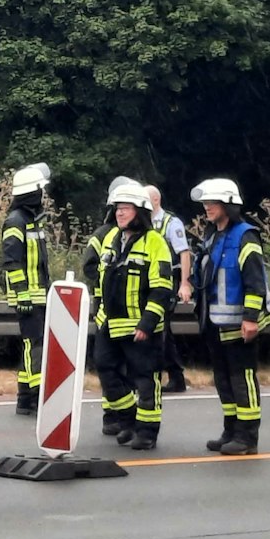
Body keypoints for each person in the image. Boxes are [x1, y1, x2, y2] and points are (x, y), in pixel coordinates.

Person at [194, 177, 270, 456]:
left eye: (212, 202)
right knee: (224, 379)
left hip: (241, 323)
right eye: (205, 202)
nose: (207, 207)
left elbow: (254, 281)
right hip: (216, 323)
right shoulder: (212, 236)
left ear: (228, 204)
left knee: (242, 379)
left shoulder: (245, 236)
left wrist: (250, 318)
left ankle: (247, 437)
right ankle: (230, 431)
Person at [99, 180, 174, 451]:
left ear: (140, 211)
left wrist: (147, 323)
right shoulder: (112, 238)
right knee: (105, 369)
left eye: (126, 208)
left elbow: (162, 288)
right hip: (110, 323)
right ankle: (129, 420)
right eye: (117, 208)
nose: (119, 212)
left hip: (141, 326)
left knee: (145, 378)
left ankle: (147, 432)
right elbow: (101, 279)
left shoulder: (155, 242)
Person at [79, 178, 137, 441]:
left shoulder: (141, 238)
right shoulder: (103, 235)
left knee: (122, 368)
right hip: (105, 310)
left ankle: (121, 418)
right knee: (108, 366)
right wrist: (107, 283)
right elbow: (89, 266)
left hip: (129, 313)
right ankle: (113, 416)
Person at [1, 162, 52, 416]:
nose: (42, 196)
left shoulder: (31, 220)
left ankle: (25, 398)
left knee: (32, 345)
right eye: (40, 191)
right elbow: (11, 261)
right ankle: (37, 393)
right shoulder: (15, 221)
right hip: (27, 296)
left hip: (38, 294)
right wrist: (22, 293)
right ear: (32, 193)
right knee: (35, 345)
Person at [145, 184, 194, 393]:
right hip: (148, 284)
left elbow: (184, 253)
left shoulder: (171, 223)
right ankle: (175, 377)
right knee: (162, 331)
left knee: (160, 330)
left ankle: (163, 377)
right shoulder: (143, 222)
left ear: (156, 200)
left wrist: (185, 283)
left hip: (166, 285)